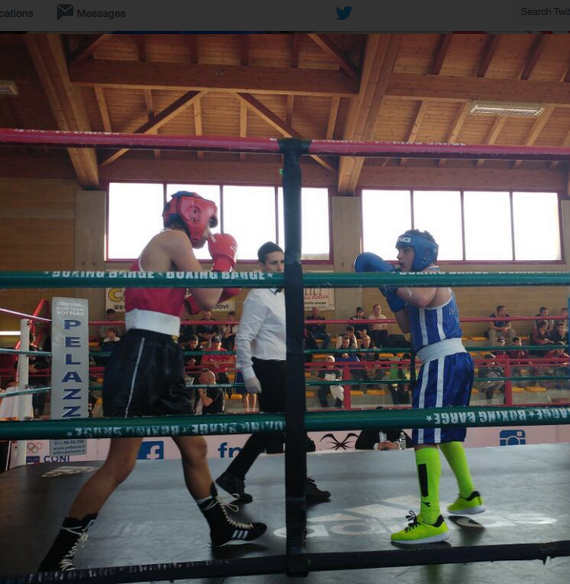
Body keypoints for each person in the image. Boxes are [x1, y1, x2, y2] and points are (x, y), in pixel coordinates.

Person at [38, 192, 264, 573]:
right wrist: (224, 259)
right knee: (120, 463)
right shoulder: (172, 239)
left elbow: (185, 303)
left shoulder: (165, 248)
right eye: (209, 222)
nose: (209, 230)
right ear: (194, 216)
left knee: (193, 447)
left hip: (161, 353)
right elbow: (208, 300)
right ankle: (58, 552)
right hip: (144, 354)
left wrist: (217, 286)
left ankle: (219, 526)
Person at [355, 229, 484, 545]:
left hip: (443, 361)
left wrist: (391, 278)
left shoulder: (430, 276)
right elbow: (407, 327)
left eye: (404, 251)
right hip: (449, 361)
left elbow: (424, 298)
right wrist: (390, 293)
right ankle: (468, 495)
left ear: (423, 253)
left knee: (425, 437)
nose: (398, 256)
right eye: (397, 251)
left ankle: (430, 517)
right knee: (445, 432)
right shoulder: (413, 282)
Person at [215, 242, 331, 506]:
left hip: (285, 366)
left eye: (281, 262)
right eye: (273, 263)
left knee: (272, 428)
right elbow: (243, 338)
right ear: (262, 266)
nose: (279, 267)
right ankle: (298, 483)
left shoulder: (281, 293)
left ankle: (234, 475)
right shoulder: (258, 296)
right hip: (270, 367)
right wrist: (248, 373)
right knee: (291, 425)